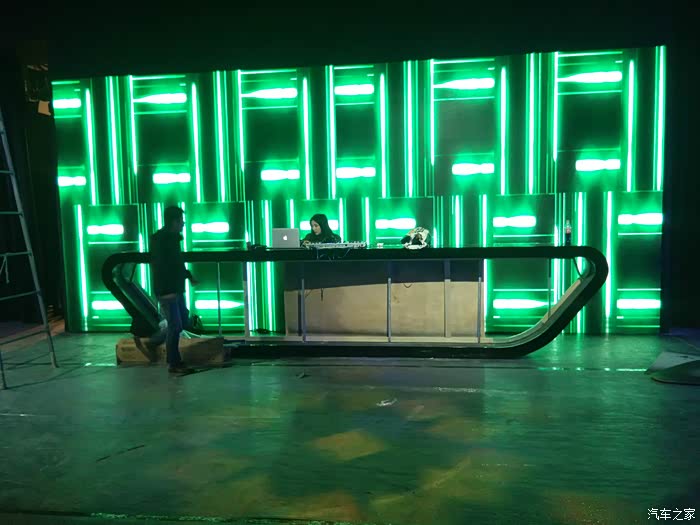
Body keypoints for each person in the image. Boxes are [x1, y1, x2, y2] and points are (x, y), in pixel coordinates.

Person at [150, 206, 198, 374]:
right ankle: (173, 362)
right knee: (176, 325)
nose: (183, 224)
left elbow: (176, 263)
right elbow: (165, 267)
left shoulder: (170, 240)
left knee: (181, 322)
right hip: (168, 290)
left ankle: (157, 340)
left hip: (174, 289)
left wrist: (188, 276)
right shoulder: (164, 241)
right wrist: (168, 289)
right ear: (174, 222)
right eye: (181, 221)